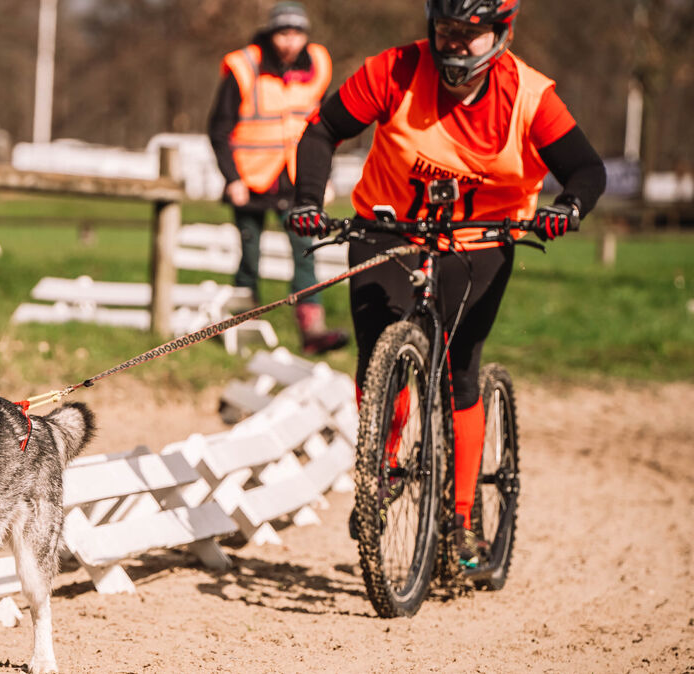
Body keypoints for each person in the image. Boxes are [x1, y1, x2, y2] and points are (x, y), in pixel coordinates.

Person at [288, 0, 606, 565]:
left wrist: (569, 206)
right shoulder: (394, 70)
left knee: (459, 369)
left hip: (481, 238)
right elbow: (324, 130)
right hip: (390, 226)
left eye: (469, 33)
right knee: (378, 345)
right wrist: (309, 199)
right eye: (445, 28)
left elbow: (586, 169)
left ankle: (460, 520)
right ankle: (380, 468)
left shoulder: (529, 95)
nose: (454, 42)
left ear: (501, 34)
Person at [207, 1, 349, 355]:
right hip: (251, 180)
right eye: (283, 34)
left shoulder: (318, 65)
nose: (290, 41)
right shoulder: (244, 66)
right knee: (249, 255)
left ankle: (312, 329)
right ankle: (242, 326)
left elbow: (327, 129)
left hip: (296, 179)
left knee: (306, 252)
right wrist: (232, 178)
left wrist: (323, 179)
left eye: (297, 34)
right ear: (271, 34)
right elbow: (219, 128)